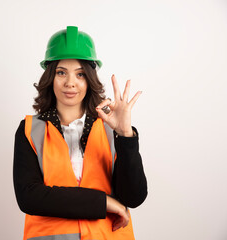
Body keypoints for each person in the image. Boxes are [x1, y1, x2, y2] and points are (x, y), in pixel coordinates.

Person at [13, 26, 147, 240]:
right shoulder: (30, 130)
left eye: (80, 74)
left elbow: (134, 197)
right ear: (50, 76)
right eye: (61, 72)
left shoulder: (111, 128)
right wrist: (104, 203)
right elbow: (30, 197)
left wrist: (125, 136)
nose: (70, 83)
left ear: (90, 78)